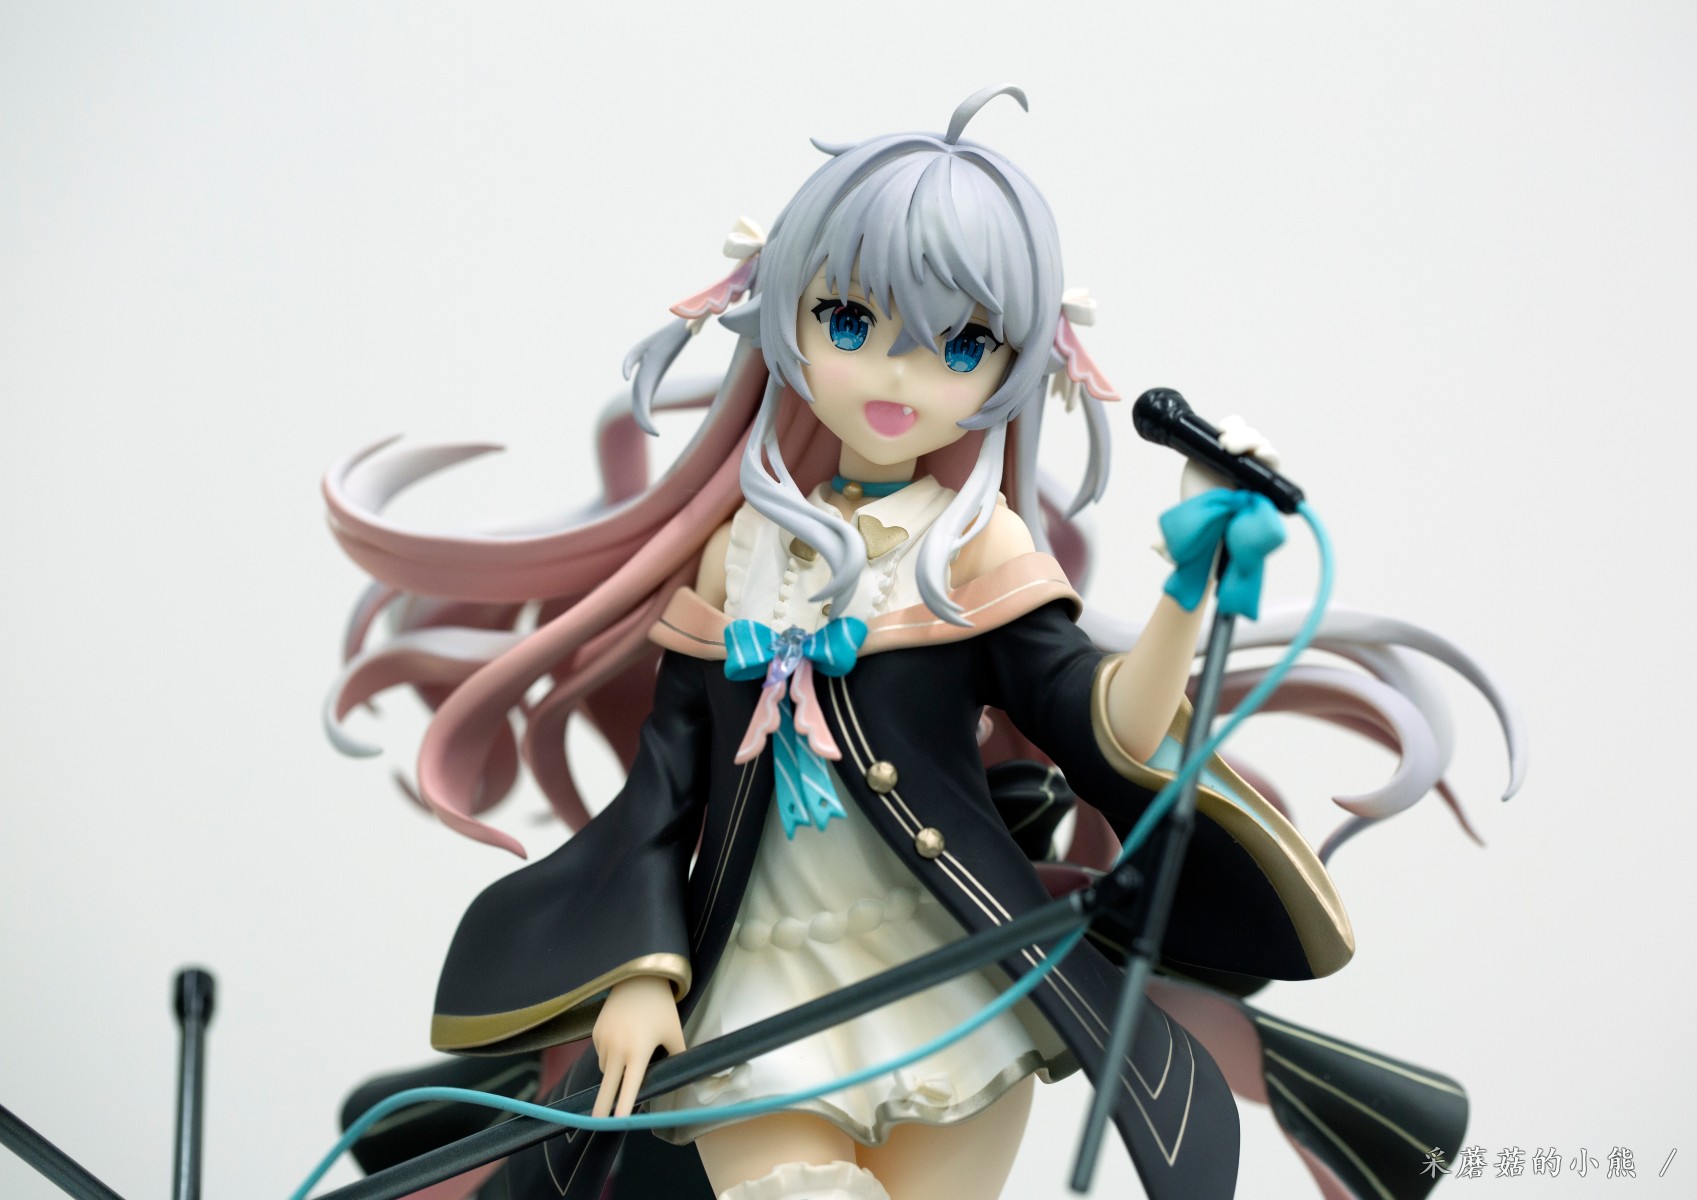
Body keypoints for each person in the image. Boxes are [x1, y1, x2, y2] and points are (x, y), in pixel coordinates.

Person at [325, 86, 1517, 1200]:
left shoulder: (974, 551)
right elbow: (665, 792)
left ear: (1012, 364)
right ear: (786, 313)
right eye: (851, 320)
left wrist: (1187, 588)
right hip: (762, 986)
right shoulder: (736, 558)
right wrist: (640, 971)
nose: (899, 371)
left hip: (948, 978)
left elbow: (1108, 723)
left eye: (959, 345)